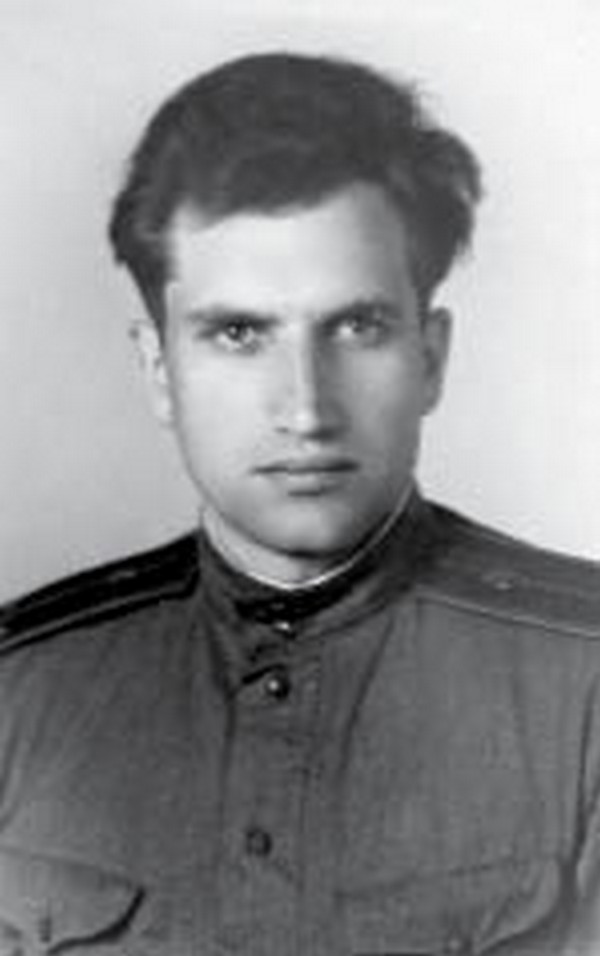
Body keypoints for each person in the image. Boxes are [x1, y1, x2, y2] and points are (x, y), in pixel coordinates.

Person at [1, 51, 599, 956]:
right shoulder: (21, 689)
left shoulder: (586, 680)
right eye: (239, 333)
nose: (307, 409)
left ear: (430, 357)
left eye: (358, 327)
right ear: (159, 370)